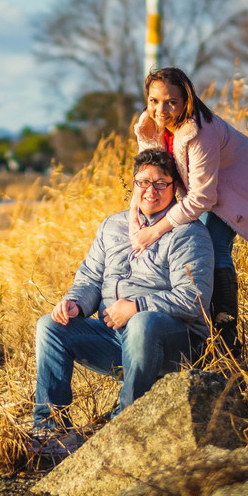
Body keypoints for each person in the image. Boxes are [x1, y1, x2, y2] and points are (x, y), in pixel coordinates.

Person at [33, 148, 214, 443]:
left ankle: (124, 426)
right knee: (50, 327)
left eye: (161, 183)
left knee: (143, 323)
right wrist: (74, 304)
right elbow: (90, 278)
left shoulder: (188, 233)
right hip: (115, 337)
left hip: (171, 342)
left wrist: (137, 306)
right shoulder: (113, 226)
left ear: (175, 188)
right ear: (133, 184)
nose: (150, 191)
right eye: (143, 182)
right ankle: (49, 432)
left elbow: (192, 299)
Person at [131, 67, 248, 350]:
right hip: (208, 182)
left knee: (213, 244)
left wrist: (155, 231)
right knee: (185, 237)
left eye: (170, 102)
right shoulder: (150, 125)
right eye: (153, 100)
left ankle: (226, 334)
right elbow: (147, 175)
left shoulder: (201, 131)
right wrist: (134, 221)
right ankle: (198, 325)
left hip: (243, 182)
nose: (160, 109)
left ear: (185, 100)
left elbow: (201, 198)